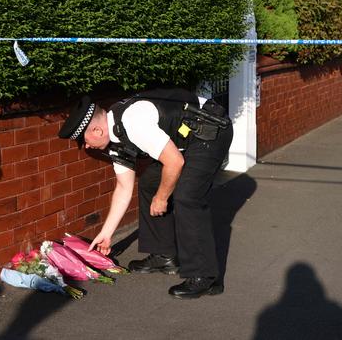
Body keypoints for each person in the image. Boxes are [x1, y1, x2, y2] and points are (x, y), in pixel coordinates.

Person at [58, 88, 233, 299]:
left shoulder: (133, 123)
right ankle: (164, 255)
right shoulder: (117, 138)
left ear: (96, 131)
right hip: (185, 139)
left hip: (210, 130)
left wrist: (161, 198)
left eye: (84, 141)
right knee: (149, 182)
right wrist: (106, 233)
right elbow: (123, 187)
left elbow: (174, 162)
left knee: (187, 197)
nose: (86, 146)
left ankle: (205, 277)